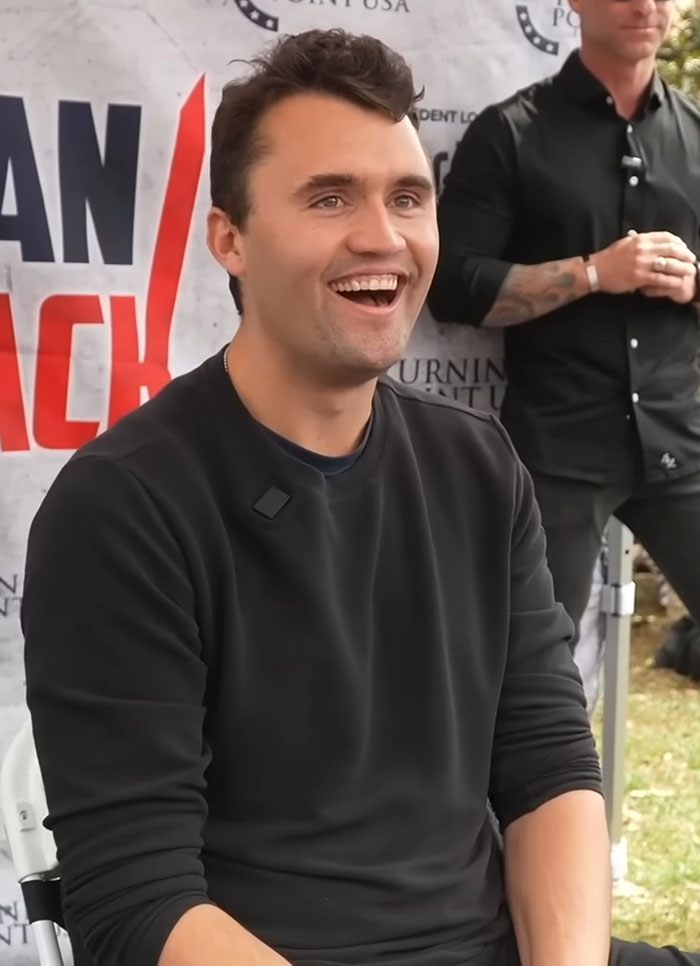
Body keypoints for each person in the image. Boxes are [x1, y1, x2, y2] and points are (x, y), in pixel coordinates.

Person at [21, 27, 699, 966]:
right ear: (231, 240)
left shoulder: (480, 468)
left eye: (408, 197)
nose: (382, 237)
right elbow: (135, 902)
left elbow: (548, 768)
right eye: (328, 197)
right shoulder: (123, 509)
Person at [428, 0, 700, 698]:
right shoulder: (513, 132)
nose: (645, 5)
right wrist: (592, 273)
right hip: (558, 453)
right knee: (525, 679)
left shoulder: (697, 136)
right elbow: (453, 287)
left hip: (685, 444)